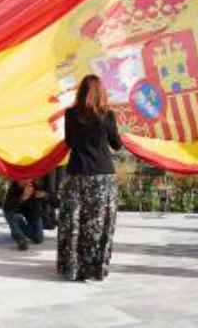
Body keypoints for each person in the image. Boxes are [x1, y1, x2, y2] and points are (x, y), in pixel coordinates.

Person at [57, 74, 122, 282]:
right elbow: (116, 144)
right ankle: (94, 269)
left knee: (72, 223)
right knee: (98, 223)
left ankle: (72, 269)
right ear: (101, 92)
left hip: (77, 173)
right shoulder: (108, 115)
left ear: (81, 92)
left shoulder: (70, 114)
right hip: (103, 177)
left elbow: (69, 143)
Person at [3, 177, 53, 250]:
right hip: (16, 214)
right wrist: (22, 198)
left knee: (38, 239)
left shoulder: (35, 187)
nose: (26, 181)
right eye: (23, 179)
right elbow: (7, 207)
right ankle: (20, 238)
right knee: (14, 217)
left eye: (29, 178)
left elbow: (57, 202)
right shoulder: (14, 188)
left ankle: (19, 229)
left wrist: (45, 195)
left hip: (32, 215)